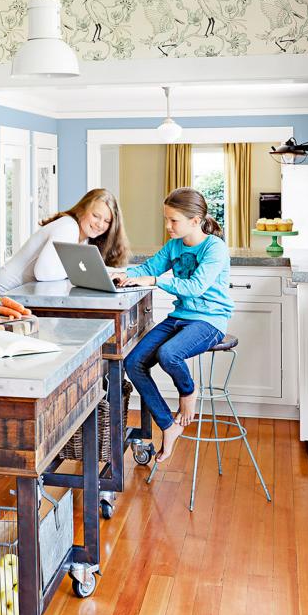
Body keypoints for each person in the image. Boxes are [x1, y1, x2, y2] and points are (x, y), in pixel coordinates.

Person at [117, 187, 233, 465]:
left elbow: (195, 287)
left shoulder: (214, 248)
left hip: (210, 319)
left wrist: (154, 282)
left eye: (173, 220)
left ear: (196, 220)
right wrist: (121, 274)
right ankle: (168, 425)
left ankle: (188, 393)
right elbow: (148, 269)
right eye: (166, 219)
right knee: (133, 362)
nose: (168, 226)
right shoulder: (174, 246)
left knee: (169, 354)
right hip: (180, 317)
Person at [0, 188, 130, 307]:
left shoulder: (83, 239)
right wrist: (77, 273)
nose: (100, 224)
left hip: (13, 297)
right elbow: (42, 273)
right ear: (81, 210)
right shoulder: (68, 227)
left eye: (106, 221)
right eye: (96, 216)